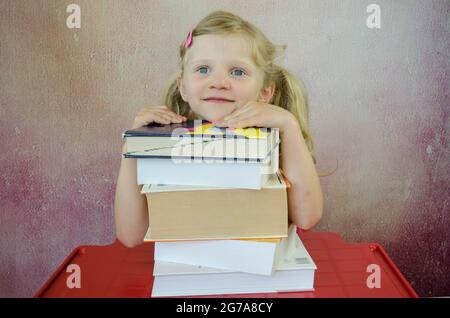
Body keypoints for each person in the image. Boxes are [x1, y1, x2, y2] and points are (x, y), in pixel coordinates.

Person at [114, 10, 323, 247]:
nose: (219, 82)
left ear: (265, 92)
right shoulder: (165, 144)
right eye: (203, 69)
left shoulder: (276, 140)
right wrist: (135, 145)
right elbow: (130, 236)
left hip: (259, 270)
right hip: (185, 270)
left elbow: (307, 218)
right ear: (183, 87)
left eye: (237, 72)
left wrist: (289, 126)